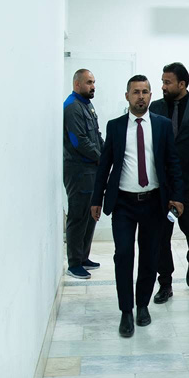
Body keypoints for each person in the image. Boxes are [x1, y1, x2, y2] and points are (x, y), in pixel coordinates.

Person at [91, 75, 184, 338]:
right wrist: (96, 199)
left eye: (145, 91)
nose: (140, 96)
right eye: (135, 92)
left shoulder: (162, 125)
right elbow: (105, 165)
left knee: (149, 256)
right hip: (123, 203)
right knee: (123, 255)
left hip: (154, 202)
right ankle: (126, 311)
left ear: (150, 95)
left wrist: (178, 196)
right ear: (127, 96)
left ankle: (142, 305)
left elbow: (173, 163)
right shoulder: (116, 126)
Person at [148, 62, 189, 302]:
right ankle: (165, 283)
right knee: (161, 237)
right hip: (162, 185)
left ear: (182, 84)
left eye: (168, 82)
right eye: (163, 81)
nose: (163, 86)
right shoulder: (155, 108)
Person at [62, 69, 103, 279]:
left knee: (90, 215)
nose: (93, 86)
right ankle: (74, 263)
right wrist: (101, 157)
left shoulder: (87, 105)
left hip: (92, 170)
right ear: (77, 84)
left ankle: (83, 256)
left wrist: (107, 153)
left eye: (93, 82)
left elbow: (96, 135)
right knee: (78, 216)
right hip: (78, 171)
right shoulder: (72, 107)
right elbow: (79, 141)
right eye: (88, 82)